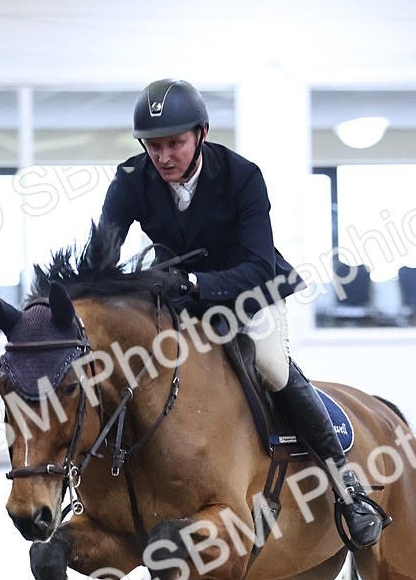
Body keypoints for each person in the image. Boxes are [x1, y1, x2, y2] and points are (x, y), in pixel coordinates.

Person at [100, 78, 389, 549]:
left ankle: (348, 490)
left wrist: (196, 284)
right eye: (153, 145)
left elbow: (256, 264)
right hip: (177, 300)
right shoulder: (132, 179)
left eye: (175, 143)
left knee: (272, 366)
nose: (164, 156)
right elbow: (104, 252)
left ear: (202, 134)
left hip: (248, 291)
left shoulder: (243, 177)